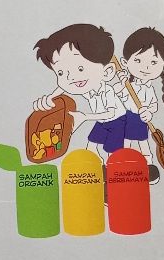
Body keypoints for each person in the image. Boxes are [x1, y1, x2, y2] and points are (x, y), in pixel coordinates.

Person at [32, 24, 127, 162]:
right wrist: (51, 97)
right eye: (61, 73)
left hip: (117, 121)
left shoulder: (107, 92)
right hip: (101, 121)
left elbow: (111, 113)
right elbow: (64, 87)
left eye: (80, 68)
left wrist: (85, 117)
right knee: (91, 145)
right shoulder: (86, 86)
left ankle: (112, 169)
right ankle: (97, 166)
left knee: (112, 152)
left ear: (107, 72)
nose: (71, 78)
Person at [118, 27, 164, 184]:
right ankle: (124, 164)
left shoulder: (149, 89)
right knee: (125, 142)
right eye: (138, 60)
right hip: (127, 118)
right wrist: (121, 84)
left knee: (143, 143)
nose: (146, 67)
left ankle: (148, 165)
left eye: (153, 62)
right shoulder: (129, 85)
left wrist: (148, 112)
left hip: (141, 120)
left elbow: (153, 105)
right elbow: (119, 97)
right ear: (125, 62)